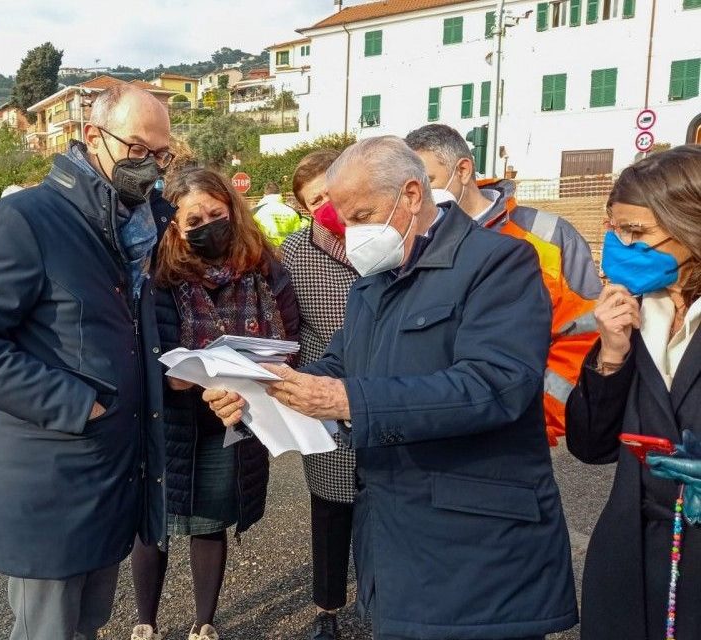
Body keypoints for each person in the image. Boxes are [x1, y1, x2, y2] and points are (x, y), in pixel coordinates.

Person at [205, 136, 578, 640]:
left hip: (478, 547)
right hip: (393, 538)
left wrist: (349, 401)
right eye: (345, 221)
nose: (353, 234)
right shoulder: (373, 280)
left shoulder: (498, 262)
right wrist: (259, 389)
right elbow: (339, 363)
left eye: (363, 215)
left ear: (411, 195)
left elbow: (496, 385)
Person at [0, 85, 173, 640]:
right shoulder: (25, 220)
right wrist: (77, 404)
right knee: (46, 631)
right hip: (54, 485)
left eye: (161, 155)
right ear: (92, 136)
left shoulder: (134, 227)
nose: (150, 166)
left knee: (87, 625)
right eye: (138, 148)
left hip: (112, 475)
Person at [130, 167, 300, 640]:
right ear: (174, 226)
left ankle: (204, 622)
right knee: (155, 519)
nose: (207, 225)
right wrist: (178, 379)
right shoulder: (157, 273)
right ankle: (145, 621)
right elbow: (142, 347)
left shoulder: (266, 267)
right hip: (171, 417)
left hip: (236, 417)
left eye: (215, 214)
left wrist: (256, 379)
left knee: (210, 520)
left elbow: (289, 340)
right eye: (194, 220)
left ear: (233, 210)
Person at [566, 145, 701, 640]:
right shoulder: (635, 311)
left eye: (637, 232)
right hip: (630, 553)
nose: (621, 245)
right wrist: (611, 353)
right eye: (616, 229)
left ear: (691, 227)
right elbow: (591, 447)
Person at [406, 124, 601, 446]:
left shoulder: (547, 236)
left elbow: (582, 334)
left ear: (463, 170)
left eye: (429, 182)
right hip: (432, 425)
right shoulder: (413, 241)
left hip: (516, 433)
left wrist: (534, 418)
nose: (420, 198)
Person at [280, 149, 359, 640]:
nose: (327, 206)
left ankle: (381, 600)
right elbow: (283, 320)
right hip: (322, 392)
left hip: (382, 390)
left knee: (385, 507)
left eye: (332, 193)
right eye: (316, 201)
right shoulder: (294, 251)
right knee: (330, 506)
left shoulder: (382, 236)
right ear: (303, 208)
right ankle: (327, 609)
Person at [253, 181, 304, 247]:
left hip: (264, 251)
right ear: (280, 194)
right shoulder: (292, 212)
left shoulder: (255, 212)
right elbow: (298, 237)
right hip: (287, 250)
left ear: (264, 195)